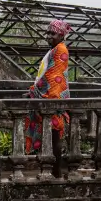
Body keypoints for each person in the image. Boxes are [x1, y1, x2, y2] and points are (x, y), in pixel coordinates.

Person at [25, 19, 72, 177]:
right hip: (51, 97)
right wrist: (35, 90)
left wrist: (35, 91)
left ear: (61, 35)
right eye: (47, 33)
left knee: (54, 136)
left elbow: (54, 76)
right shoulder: (55, 49)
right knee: (51, 136)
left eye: (52, 33)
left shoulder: (60, 50)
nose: (48, 36)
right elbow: (47, 75)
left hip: (53, 98)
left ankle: (56, 172)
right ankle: (54, 171)